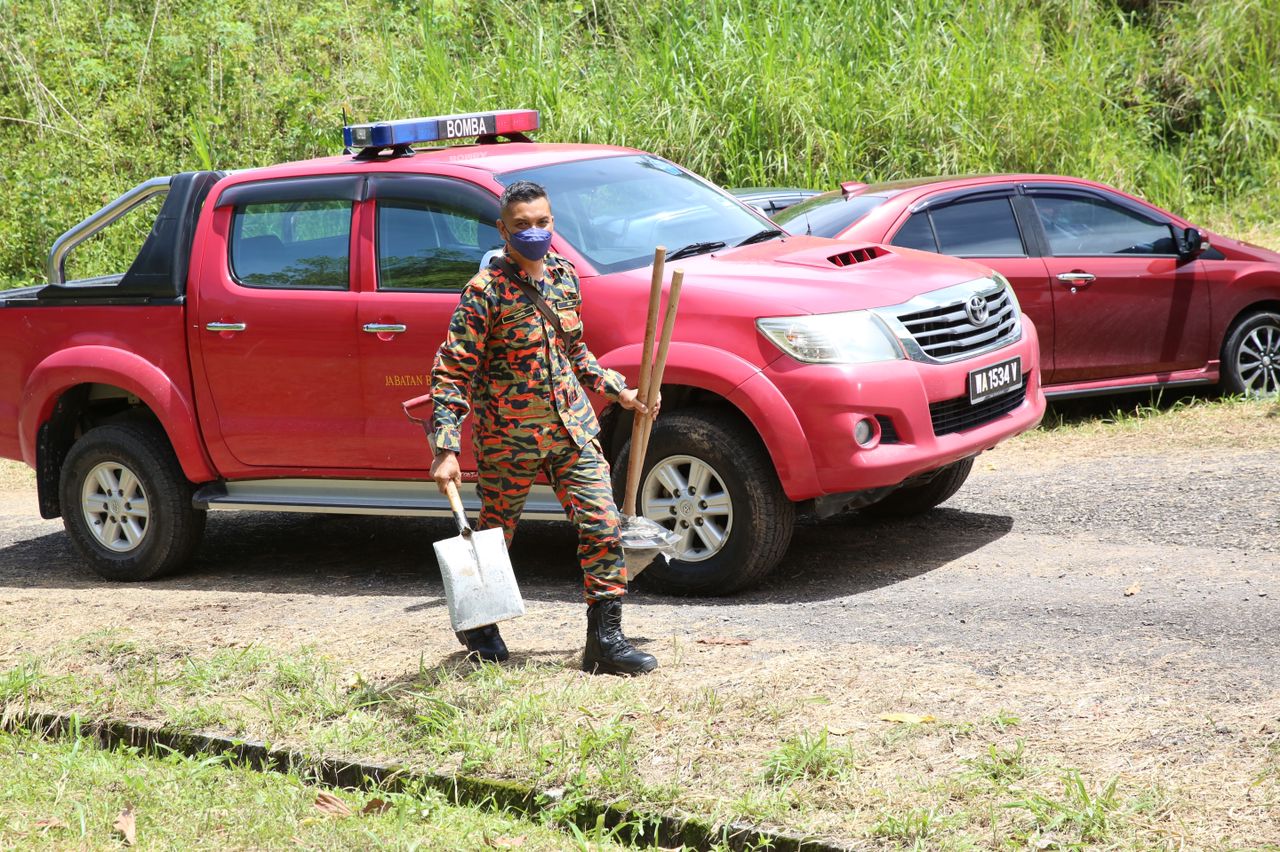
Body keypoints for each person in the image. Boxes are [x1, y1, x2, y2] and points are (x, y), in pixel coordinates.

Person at [424, 179, 658, 676]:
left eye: (542, 222)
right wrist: (445, 447)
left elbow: (576, 353)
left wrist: (620, 390)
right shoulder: (484, 293)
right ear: (503, 230)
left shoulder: (564, 277)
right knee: (495, 535)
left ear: (553, 222)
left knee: (603, 526)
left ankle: (606, 640)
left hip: (571, 431)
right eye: (522, 225)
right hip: (508, 439)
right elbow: (451, 371)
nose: (534, 232)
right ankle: (482, 627)